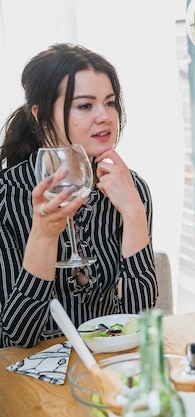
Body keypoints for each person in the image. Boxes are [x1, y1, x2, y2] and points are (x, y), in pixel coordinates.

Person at [0, 43, 157, 348]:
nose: (105, 117)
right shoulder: (7, 196)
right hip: (28, 382)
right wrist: (44, 237)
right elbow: (15, 338)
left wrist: (134, 214)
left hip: (108, 368)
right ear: (41, 115)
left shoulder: (131, 188)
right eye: (85, 106)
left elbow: (141, 321)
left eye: (110, 103)